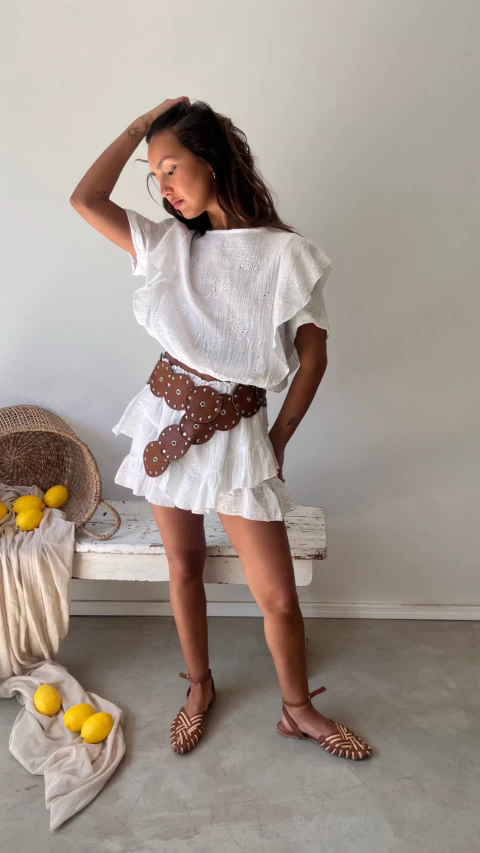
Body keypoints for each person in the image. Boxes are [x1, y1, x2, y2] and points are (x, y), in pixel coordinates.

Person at [70, 97, 372, 761]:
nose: (164, 187)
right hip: (166, 417)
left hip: (237, 431)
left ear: (212, 160)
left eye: (171, 167)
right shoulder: (168, 245)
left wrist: (279, 438)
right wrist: (138, 129)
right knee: (183, 564)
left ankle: (297, 709)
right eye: (154, 175)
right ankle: (199, 686)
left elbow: (314, 357)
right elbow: (86, 199)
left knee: (278, 597)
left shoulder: (286, 254)